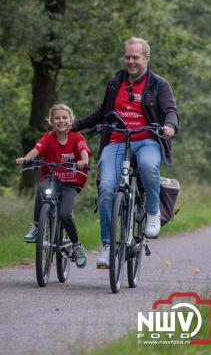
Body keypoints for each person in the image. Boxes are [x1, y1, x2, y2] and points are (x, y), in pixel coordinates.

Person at [72, 37, 179, 268]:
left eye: (135, 57)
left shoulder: (159, 85)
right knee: (106, 188)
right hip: (117, 142)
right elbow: (103, 111)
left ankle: (152, 213)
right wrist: (74, 126)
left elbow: (170, 110)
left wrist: (170, 126)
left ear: (146, 58)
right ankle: (108, 245)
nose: (130, 61)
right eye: (127, 56)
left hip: (146, 140)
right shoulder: (115, 82)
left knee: (149, 166)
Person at [16, 104, 92, 269]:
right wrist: (26, 159)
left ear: (71, 120)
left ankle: (77, 246)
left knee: (65, 214)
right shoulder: (47, 138)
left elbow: (83, 150)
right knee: (42, 189)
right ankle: (37, 226)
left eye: (65, 118)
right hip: (52, 178)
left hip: (71, 182)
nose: (61, 121)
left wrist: (83, 161)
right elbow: (36, 151)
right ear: (51, 121)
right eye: (57, 118)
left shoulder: (76, 137)